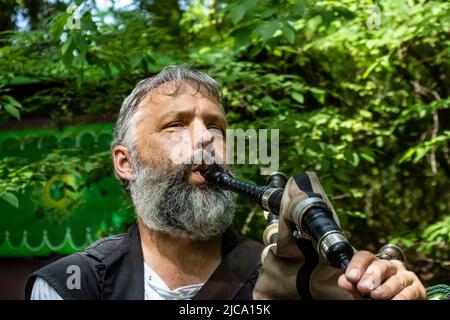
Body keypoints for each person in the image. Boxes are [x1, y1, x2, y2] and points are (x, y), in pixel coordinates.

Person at [25, 65, 426, 300]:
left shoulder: (284, 275)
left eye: (215, 127)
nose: (205, 140)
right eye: (175, 125)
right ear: (125, 162)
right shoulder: (72, 287)